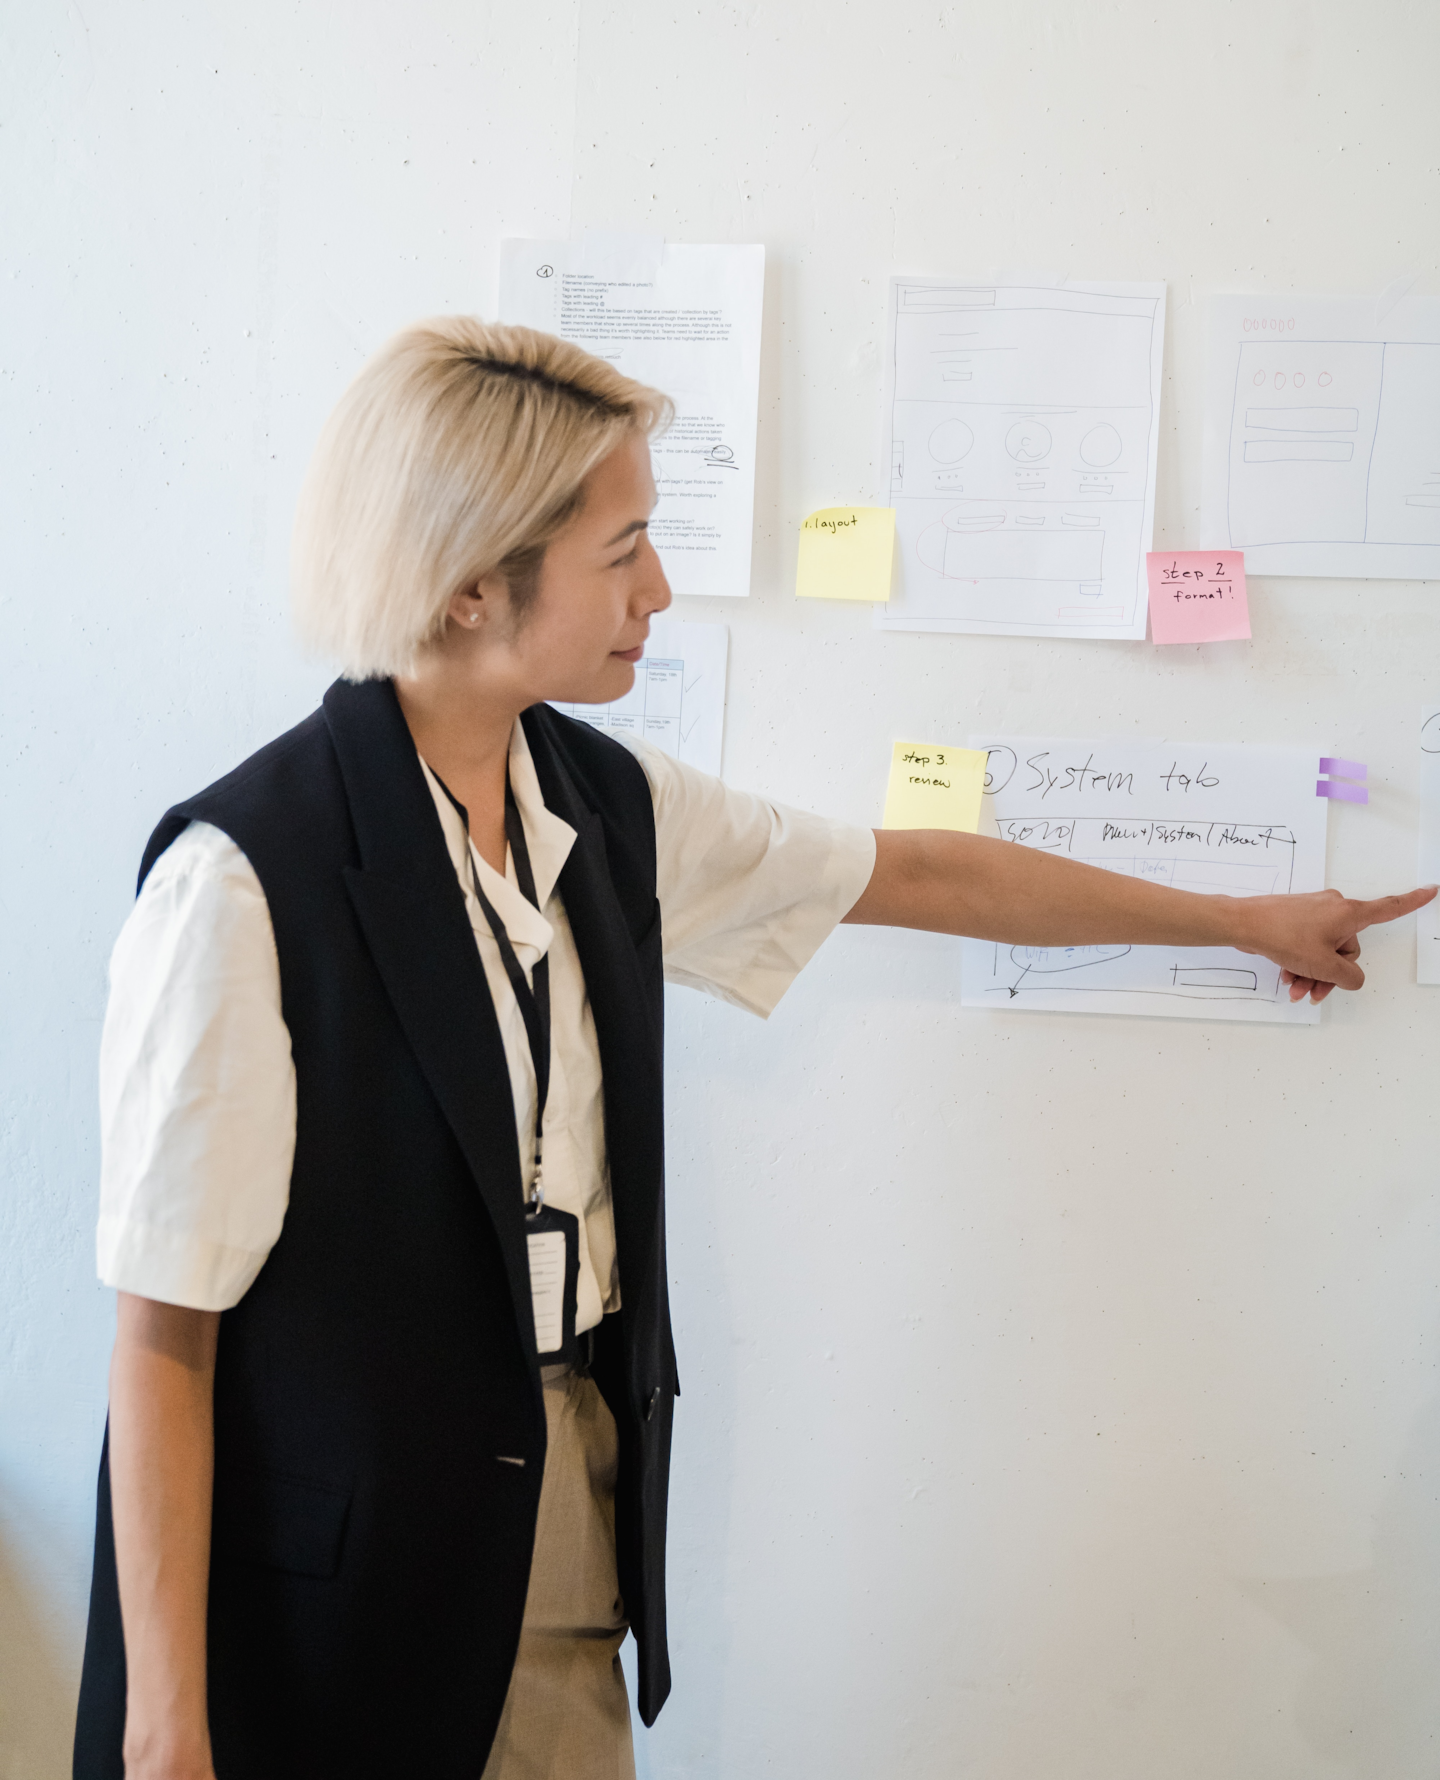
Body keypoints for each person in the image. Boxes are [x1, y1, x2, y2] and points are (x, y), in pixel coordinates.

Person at [73, 318, 1433, 1780]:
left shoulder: (601, 803)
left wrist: (1242, 919)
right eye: (626, 551)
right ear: (472, 581)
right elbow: (164, 1340)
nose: (659, 591)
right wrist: (167, 1741)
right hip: (322, 1596)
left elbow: (917, 876)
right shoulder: (237, 883)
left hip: (568, 1512)